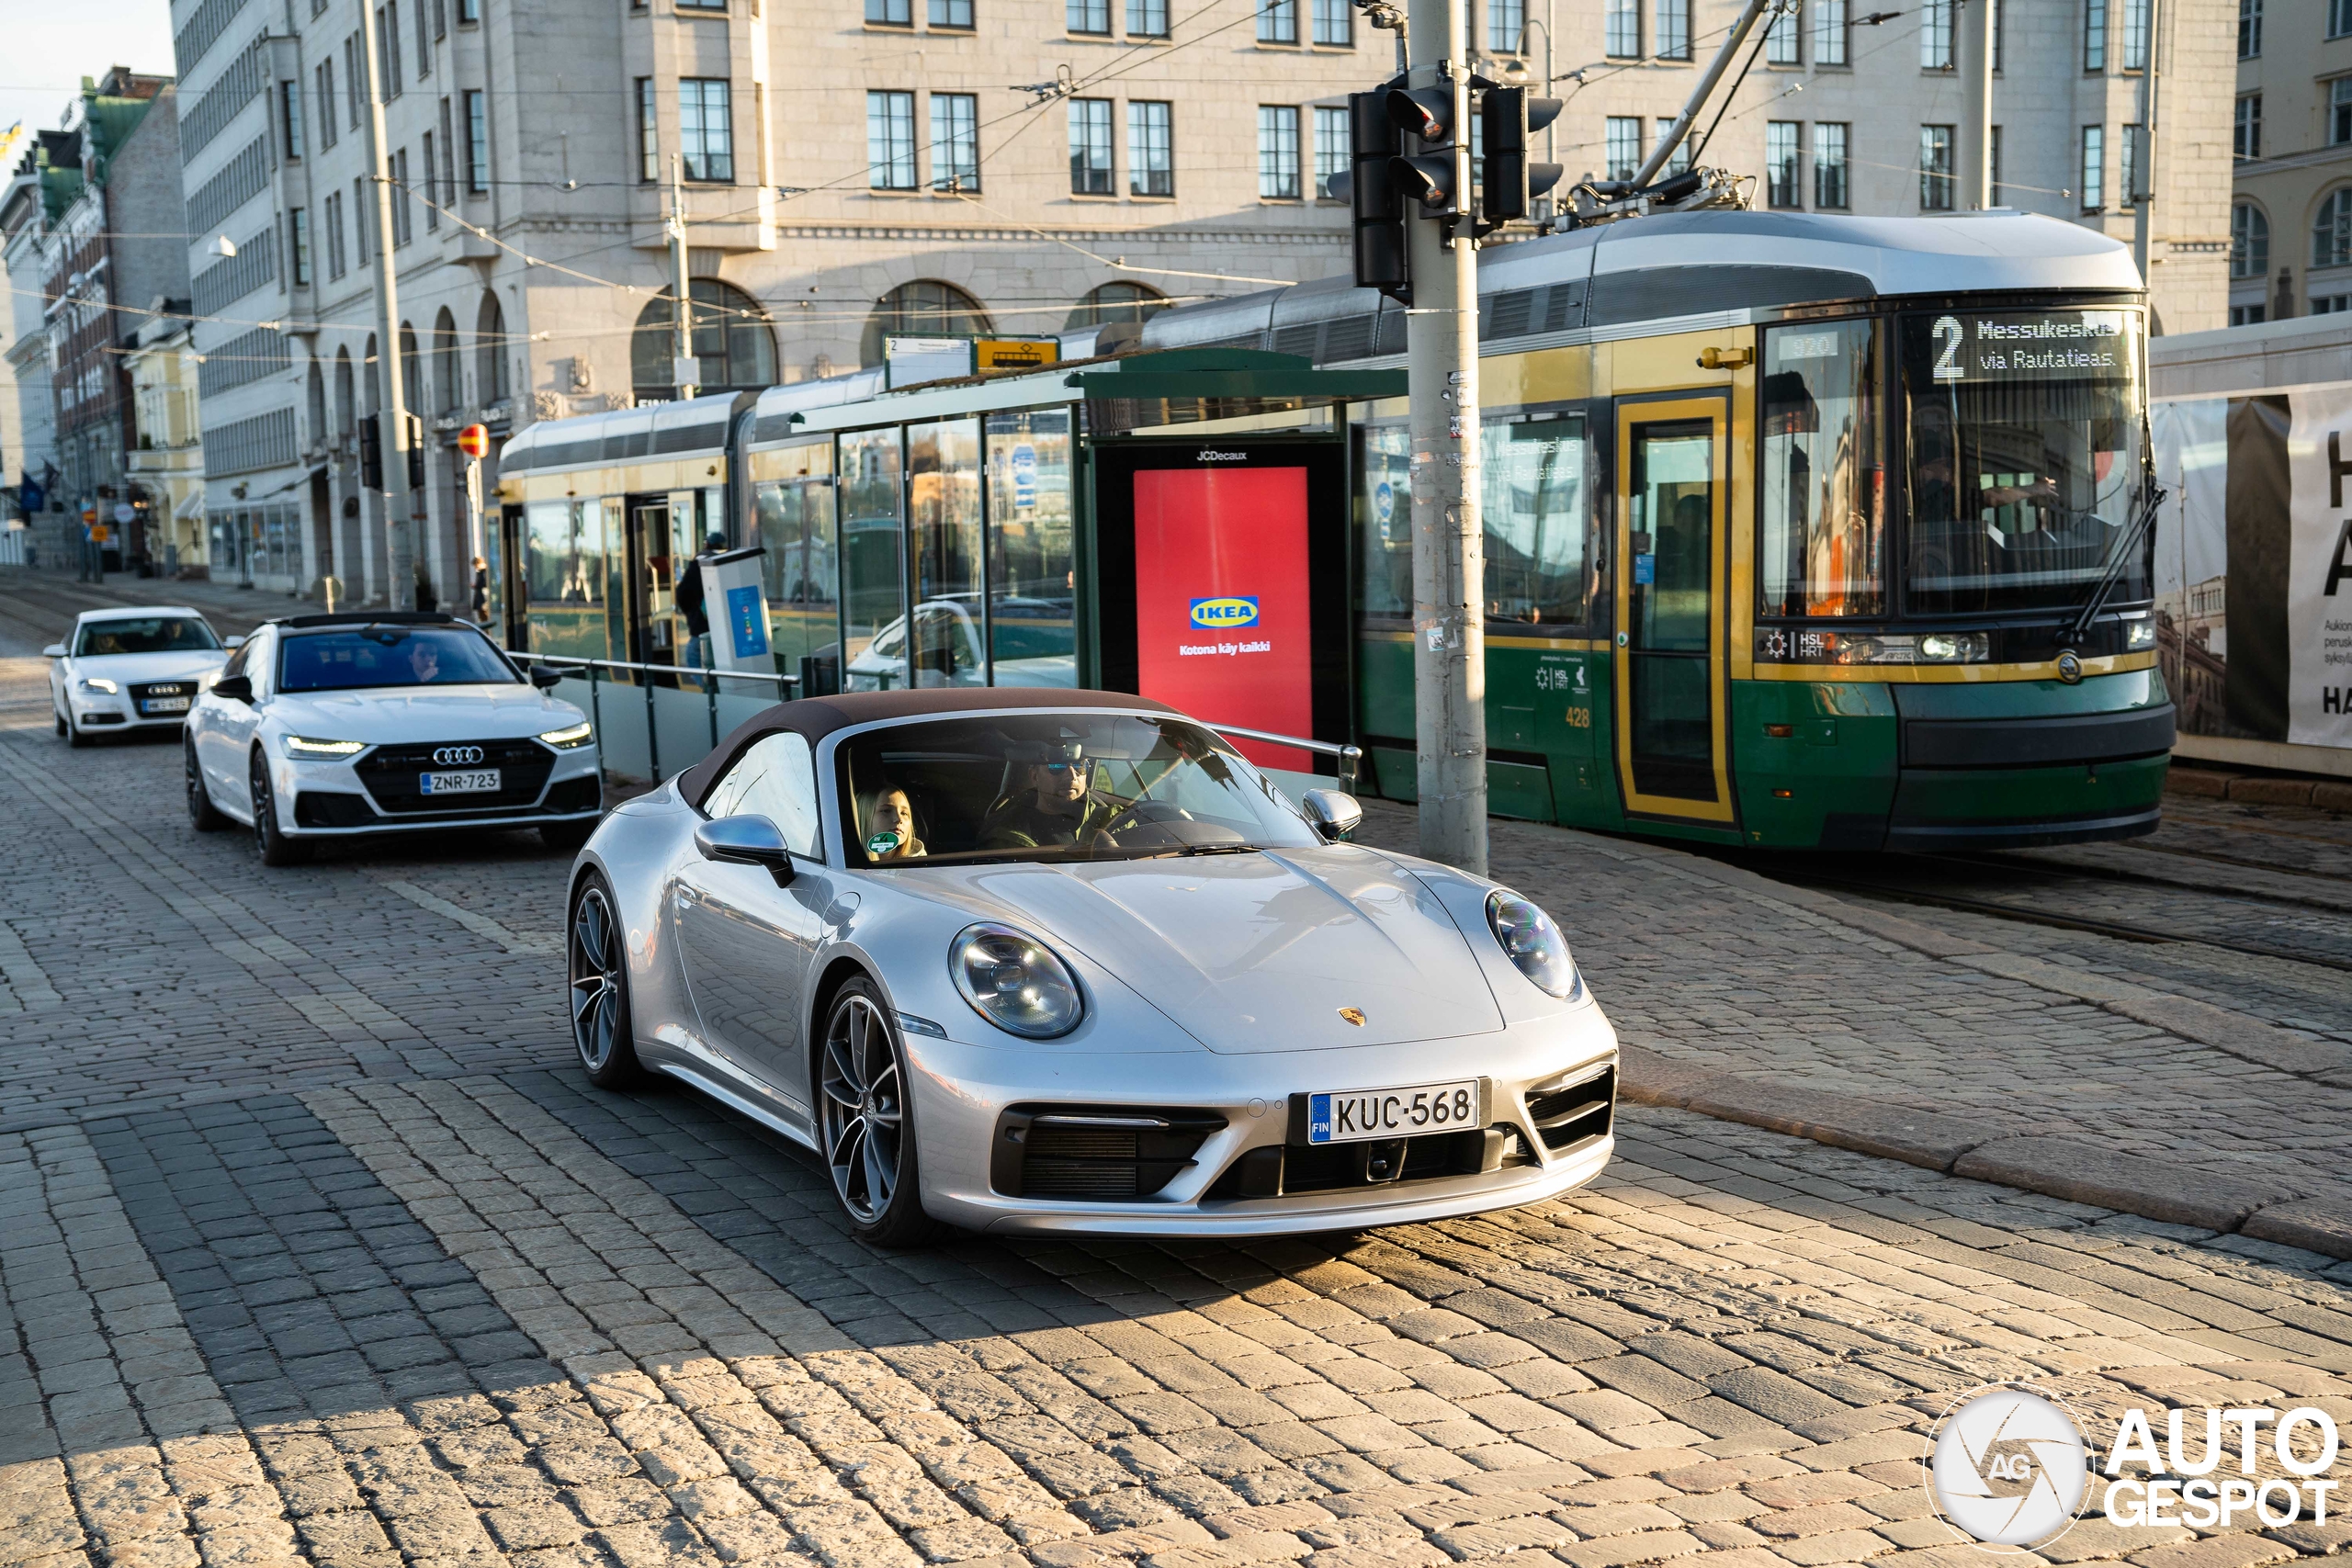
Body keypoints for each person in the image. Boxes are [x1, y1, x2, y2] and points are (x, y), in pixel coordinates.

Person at [979, 742, 1122, 850]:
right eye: (1057, 766)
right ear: (1034, 776)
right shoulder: (1005, 835)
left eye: (1080, 765)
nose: (1072, 776)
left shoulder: (1114, 820)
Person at [674, 529, 725, 671]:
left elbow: (682, 593)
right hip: (724, 627)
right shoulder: (729, 561)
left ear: (707, 544)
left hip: (701, 625)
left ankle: (707, 690)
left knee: (694, 657)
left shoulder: (698, 564)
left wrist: (691, 613)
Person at [858, 784, 927, 863]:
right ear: (864, 816)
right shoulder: (844, 861)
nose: (898, 819)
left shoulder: (919, 859)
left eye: (904, 813)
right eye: (886, 811)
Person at [470, 557, 490, 625]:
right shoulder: (480, 572)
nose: (475, 567)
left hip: (483, 597)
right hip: (480, 596)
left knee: (484, 615)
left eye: (475, 565)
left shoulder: (484, 571)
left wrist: (476, 586)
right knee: (481, 615)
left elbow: (485, 583)